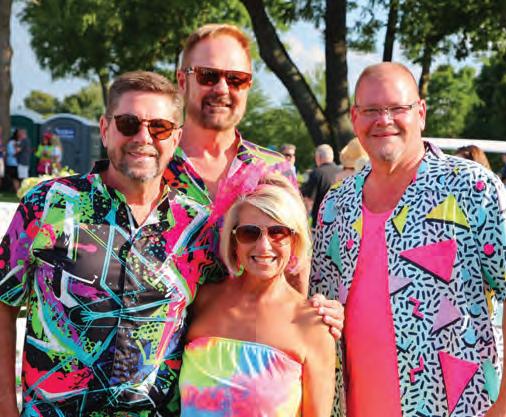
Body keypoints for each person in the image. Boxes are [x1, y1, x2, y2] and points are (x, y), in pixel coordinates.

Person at [0, 71, 214, 415]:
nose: (143, 137)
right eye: (129, 124)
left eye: (159, 127)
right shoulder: (48, 204)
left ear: (175, 138)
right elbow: (3, 302)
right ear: (104, 129)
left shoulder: (198, 227)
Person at [310, 62, 506, 417]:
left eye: (396, 108)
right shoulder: (336, 205)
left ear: (421, 113)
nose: (383, 120)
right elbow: (320, 307)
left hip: (460, 409)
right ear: (355, 118)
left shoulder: (473, 187)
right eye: (371, 110)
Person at [166, 23, 343, 320]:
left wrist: (305, 324)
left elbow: (295, 267)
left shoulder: (274, 169)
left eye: (236, 78)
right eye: (208, 75)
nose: (222, 88)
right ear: (182, 81)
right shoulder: (154, 164)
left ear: (247, 86)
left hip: (249, 342)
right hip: (160, 347)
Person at [179, 173, 335, 416]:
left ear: (294, 241)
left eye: (278, 232)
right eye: (249, 233)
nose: (263, 246)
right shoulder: (202, 300)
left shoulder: (312, 324)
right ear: (233, 242)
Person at [301, 144, 339, 228]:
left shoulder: (316, 173)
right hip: (340, 223)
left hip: (321, 224)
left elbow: (309, 201)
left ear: (318, 157)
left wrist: (304, 222)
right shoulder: (341, 171)